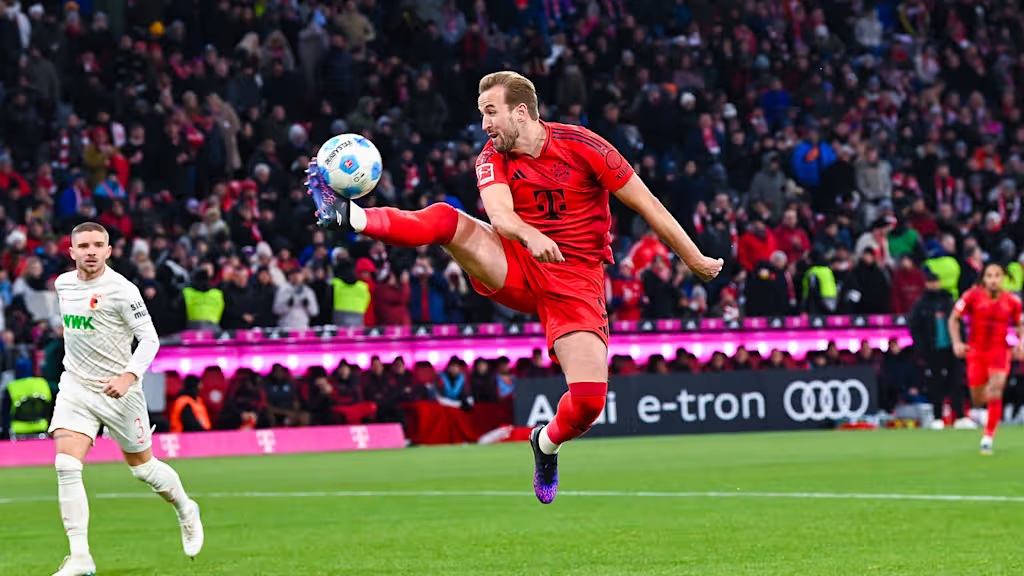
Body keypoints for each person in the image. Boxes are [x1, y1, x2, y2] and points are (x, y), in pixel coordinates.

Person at [306, 71, 722, 503]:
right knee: (447, 219)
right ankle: (349, 216)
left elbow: (647, 203)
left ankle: (546, 443)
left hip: (576, 282)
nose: (485, 124)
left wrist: (694, 258)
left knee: (588, 403)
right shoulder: (491, 157)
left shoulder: (586, 146)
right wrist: (529, 235)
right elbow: (501, 216)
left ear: (521, 112)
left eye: (491, 112)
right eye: (481, 114)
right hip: (516, 265)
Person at [47, 222, 204, 575]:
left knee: (143, 469)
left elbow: (149, 339)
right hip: (76, 386)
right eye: (83, 245)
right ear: (71, 252)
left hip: (120, 391)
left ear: (108, 251)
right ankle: (80, 557)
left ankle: (185, 508)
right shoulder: (63, 284)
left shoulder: (123, 290)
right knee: (66, 466)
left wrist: (128, 376)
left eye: (97, 245)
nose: (90, 251)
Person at [948, 263, 1024, 455]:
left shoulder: (1013, 301)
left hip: (1000, 351)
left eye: (997, 276)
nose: (993, 280)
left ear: (1003, 278)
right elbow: (953, 319)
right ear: (983, 278)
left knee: (996, 389)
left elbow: (1019, 324)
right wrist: (957, 343)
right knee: (978, 397)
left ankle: (988, 437)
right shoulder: (971, 296)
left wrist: (1020, 343)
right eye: (989, 276)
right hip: (976, 352)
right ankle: (981, 415)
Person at [909, 268, 966, 428]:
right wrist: (922, 349)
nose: (933, 285)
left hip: (952, 347)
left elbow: (959, 323)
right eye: (930, 282)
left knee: (956, 382)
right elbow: (915, 329)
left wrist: (961, 342)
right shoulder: (921, 304)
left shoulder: (949, 301)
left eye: (935, 282)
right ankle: (937, 418)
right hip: (933, 350)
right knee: (936, 384)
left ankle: (960, 417)